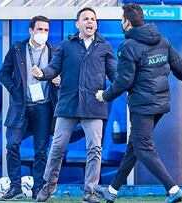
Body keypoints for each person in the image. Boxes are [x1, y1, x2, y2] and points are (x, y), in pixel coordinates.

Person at [94, 3, 182, 203]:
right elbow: (179, 66)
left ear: (127, 22)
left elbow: (124, 81)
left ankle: (173, 189)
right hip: (160, 104)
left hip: (143, 105)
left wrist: (104, 96)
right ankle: (112, 191)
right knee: (134, 147)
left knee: (143, 148)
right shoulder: (162, 41)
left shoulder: (127, 47)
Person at [31, 7, 117, 203]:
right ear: (77, 24)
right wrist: (42, 74)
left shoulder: (105, 47)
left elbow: (115, 75)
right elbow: (53, 68)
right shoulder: (66, 45)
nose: (90, 22)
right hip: (68, 104)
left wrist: (124, 87)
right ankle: (48, 185)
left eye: (93, 19)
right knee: (57, 147)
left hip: (94, 105)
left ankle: (90, 191)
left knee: (94, 149)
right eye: (86, 19)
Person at [0, 15, 60, 200]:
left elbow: (62, 76)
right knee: (12, 145)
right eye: (39, 29)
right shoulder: (18, 49)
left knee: (41, 151)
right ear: (31, 30)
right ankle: (15, 186)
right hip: (21, 106)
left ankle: (38, 188)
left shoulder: (55, 51)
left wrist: (58, 81)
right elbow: (3, 73)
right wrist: (15, 90)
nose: (43, 33)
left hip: (43, 107)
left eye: (46, 30)